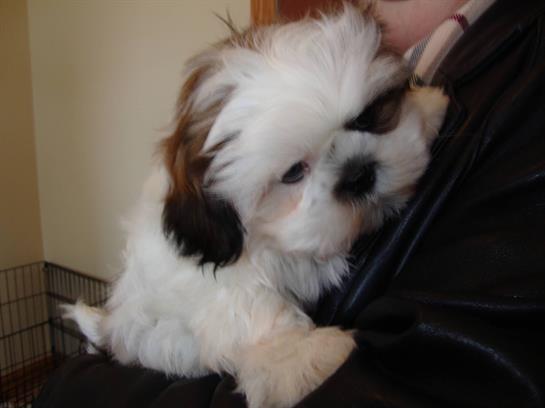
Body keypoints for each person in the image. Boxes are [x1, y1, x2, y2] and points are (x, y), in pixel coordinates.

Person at [35, 0, 545, 407]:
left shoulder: (524, 82)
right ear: (225, 210)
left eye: (366, 119)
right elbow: (220, 305)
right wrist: (275, 346)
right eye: (295, 172)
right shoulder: (219, 250)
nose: (356, 171)